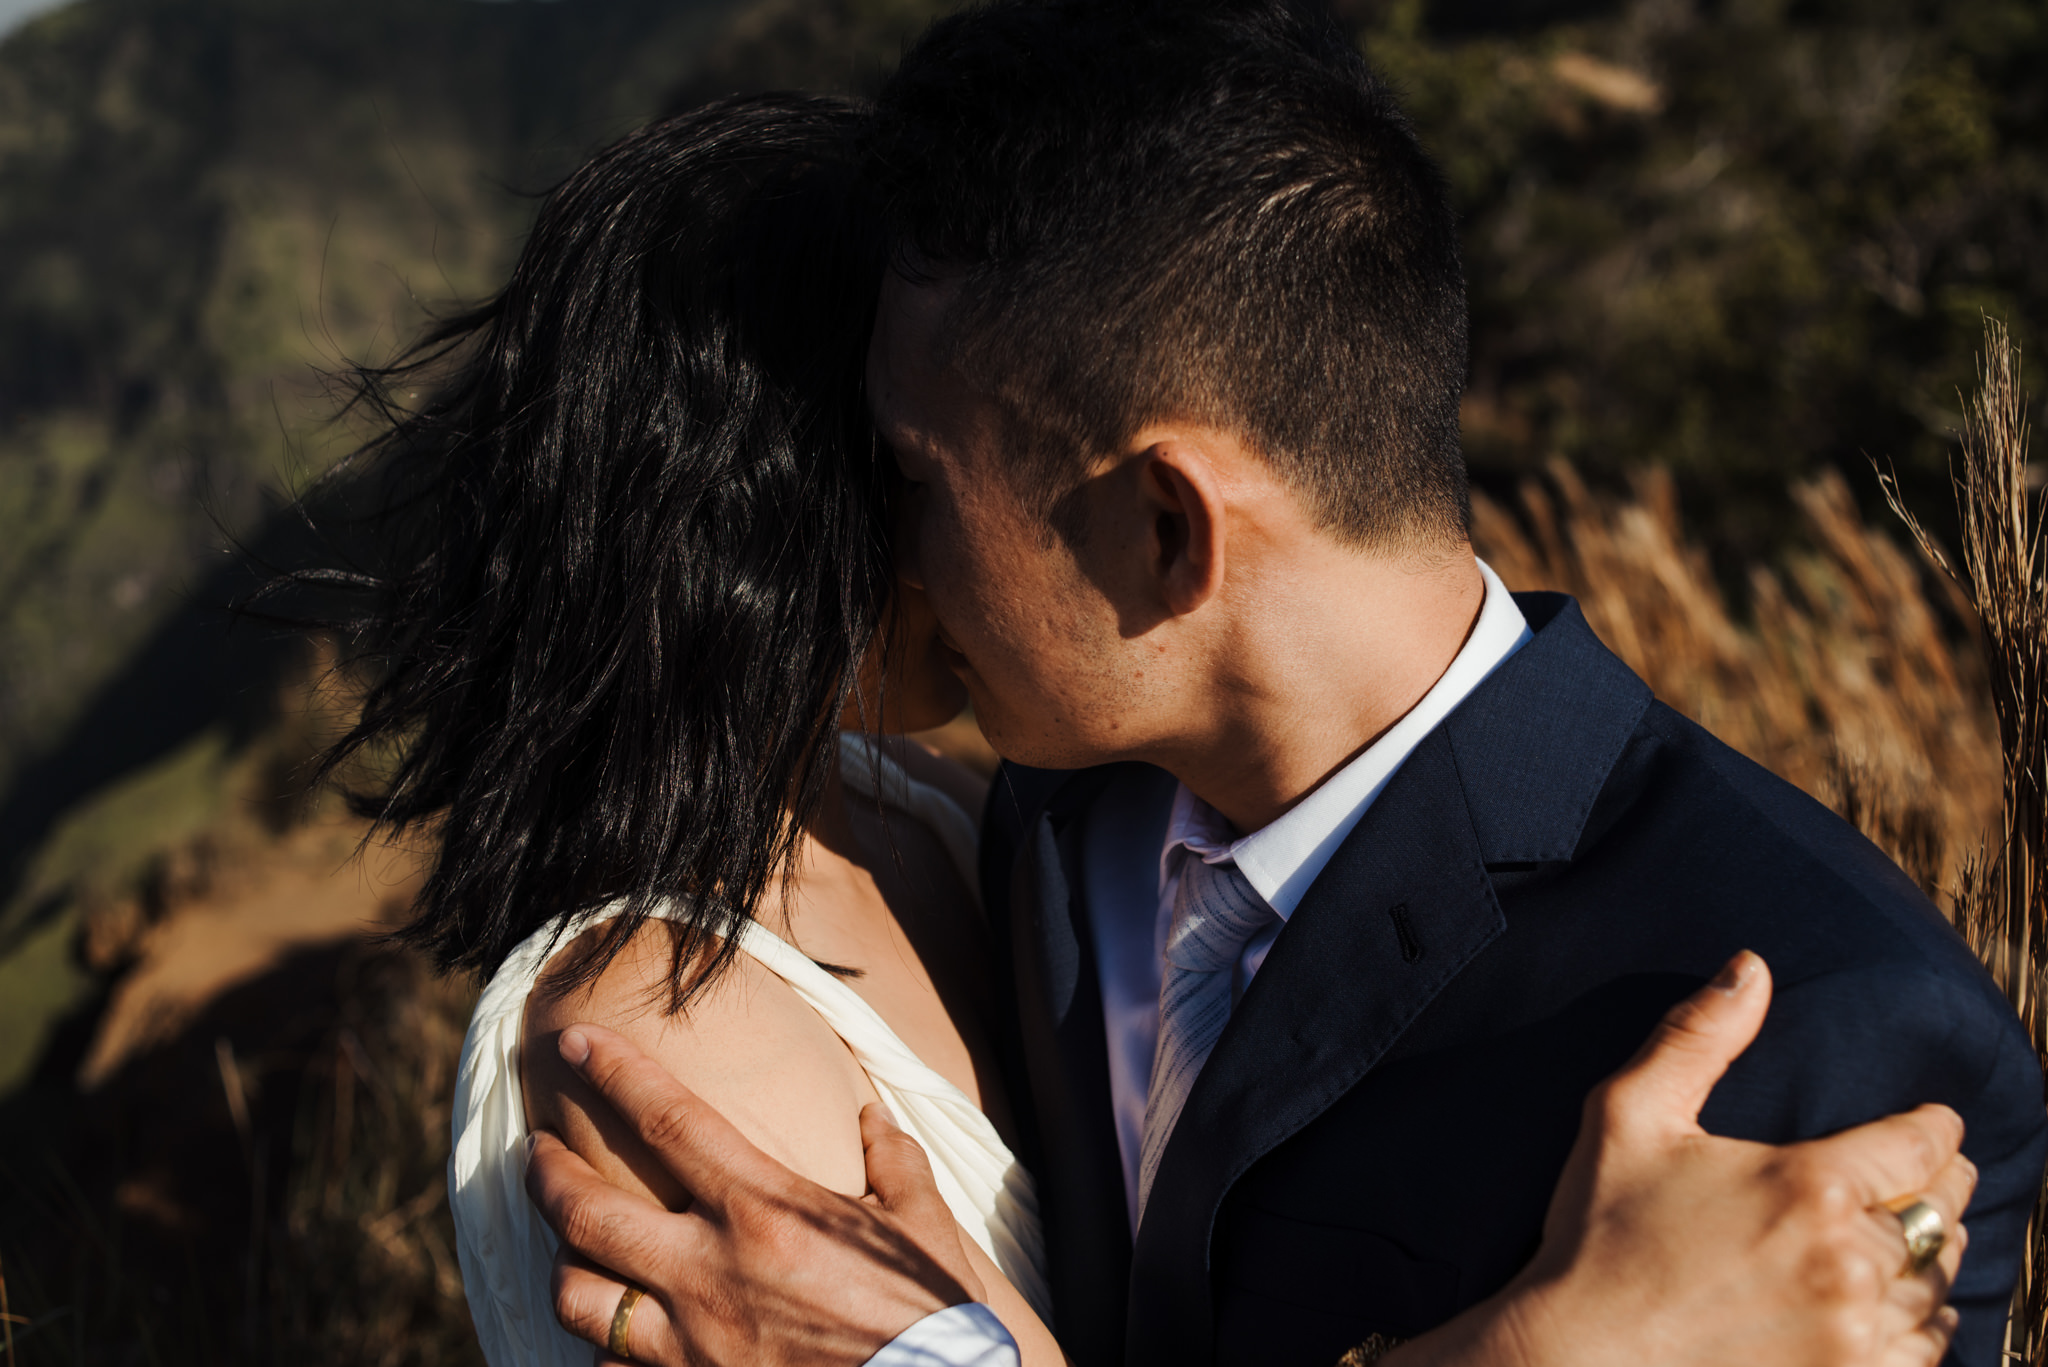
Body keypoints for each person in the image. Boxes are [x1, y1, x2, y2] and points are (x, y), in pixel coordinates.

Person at [516, 2, 2044, 1366]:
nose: (889, 551)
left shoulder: (1811, 1029)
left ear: (1167, 528)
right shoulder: (1061, 809)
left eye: (916, 476)